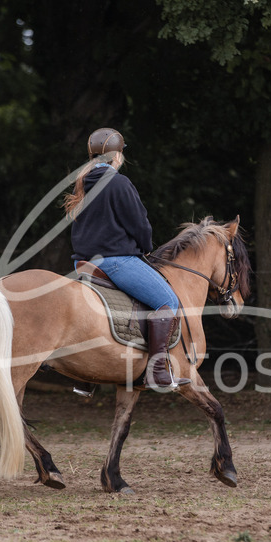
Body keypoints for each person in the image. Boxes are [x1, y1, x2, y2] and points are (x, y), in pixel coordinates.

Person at [65, 127, 190, 390]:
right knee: (168, 300)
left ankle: (86, 376)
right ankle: (157, 372)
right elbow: (139, 224)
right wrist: (145, 248)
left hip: (84, 263)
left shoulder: (82, 182)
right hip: (115, 261)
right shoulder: (118, 182)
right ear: (118, 156)